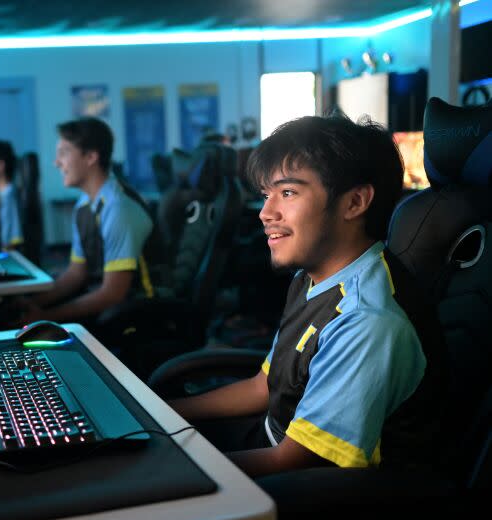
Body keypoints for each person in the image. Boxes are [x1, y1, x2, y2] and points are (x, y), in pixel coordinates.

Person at [168, 115, 442, 478]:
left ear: (355, 201)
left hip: (316, 505)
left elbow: (292, 464)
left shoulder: (367, 321)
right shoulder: (311, 276)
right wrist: (164, 409)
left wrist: (169, 471)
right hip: (269, 440)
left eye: (288, 193)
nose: (266, 213)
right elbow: (262, 386)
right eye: (267, 195)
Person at [16, 117, 158, 324]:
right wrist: (34, 302)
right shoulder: (84, 205)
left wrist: (46, 317)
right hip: (106, 307)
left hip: (138, 316)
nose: (57, 163)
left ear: (91, 156)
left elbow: (113, 294)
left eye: (63, 153)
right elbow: (75, 274)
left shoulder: (118, 208)